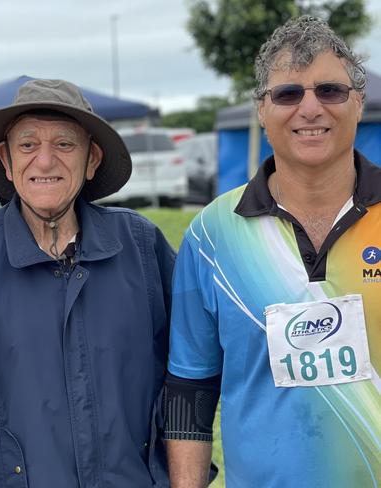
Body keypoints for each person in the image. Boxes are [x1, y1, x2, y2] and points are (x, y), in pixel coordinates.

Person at [0, 78, 175, 487]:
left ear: (92, 159)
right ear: (6, 159)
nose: (45, 161)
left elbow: (190, 376)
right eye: (28, 145)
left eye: (65, 145)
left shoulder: (140, 246)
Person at [164, 15, 381, 488]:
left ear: (358, 102)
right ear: (261, 110)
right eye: (287, 94)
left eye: (330, 91)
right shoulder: (211, 236)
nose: (310, 108)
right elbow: (190, 391)